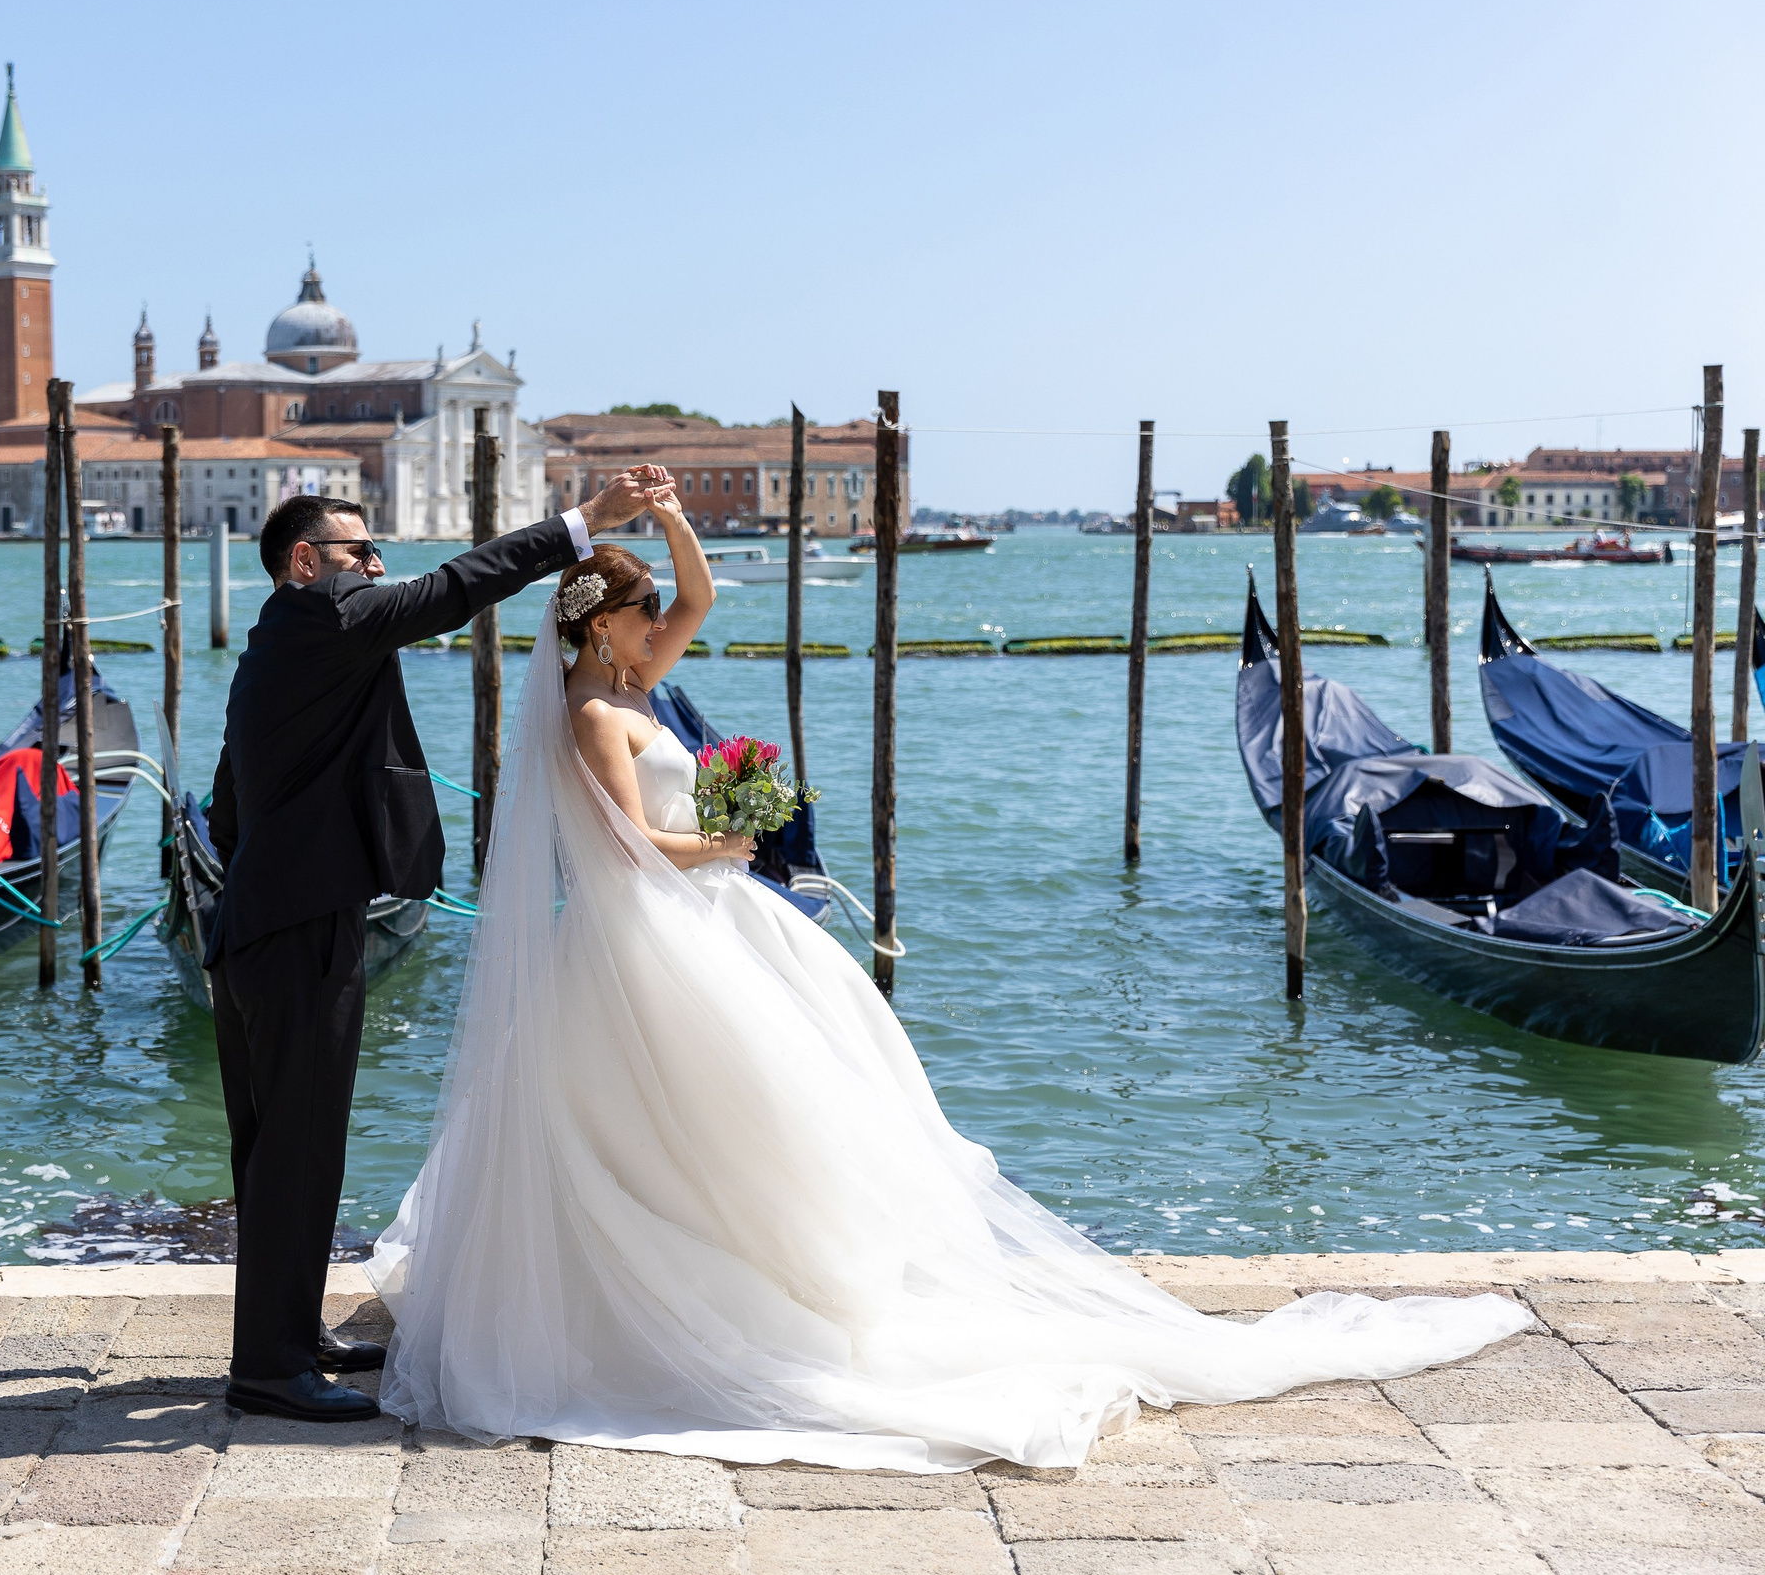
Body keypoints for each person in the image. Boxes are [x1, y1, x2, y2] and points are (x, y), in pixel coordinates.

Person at [367, 483, 1533, 1472]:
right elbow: (628, 843)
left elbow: (702, 600)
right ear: (600, 627)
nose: (657, 624)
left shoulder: (633, 681)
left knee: (794, 1089)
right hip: (647, 932)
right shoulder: (592, 714)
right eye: (639, 614)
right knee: (683, 1112)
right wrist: (725, 842)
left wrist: (673, 523)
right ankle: (674, 1299)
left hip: (701, 921)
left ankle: (777, 1267)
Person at [206, 466, 669, 1424]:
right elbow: (457, 586)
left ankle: (287, 1334)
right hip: (296, 927)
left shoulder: (275, 643)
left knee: (285, 1143)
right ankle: (269, 1369)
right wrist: (587, 521)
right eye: (362, 551)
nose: (379, 565)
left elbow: (226, 805)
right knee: (296, 1144)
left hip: (262, 922)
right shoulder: (328, 616)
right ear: (308, 562)